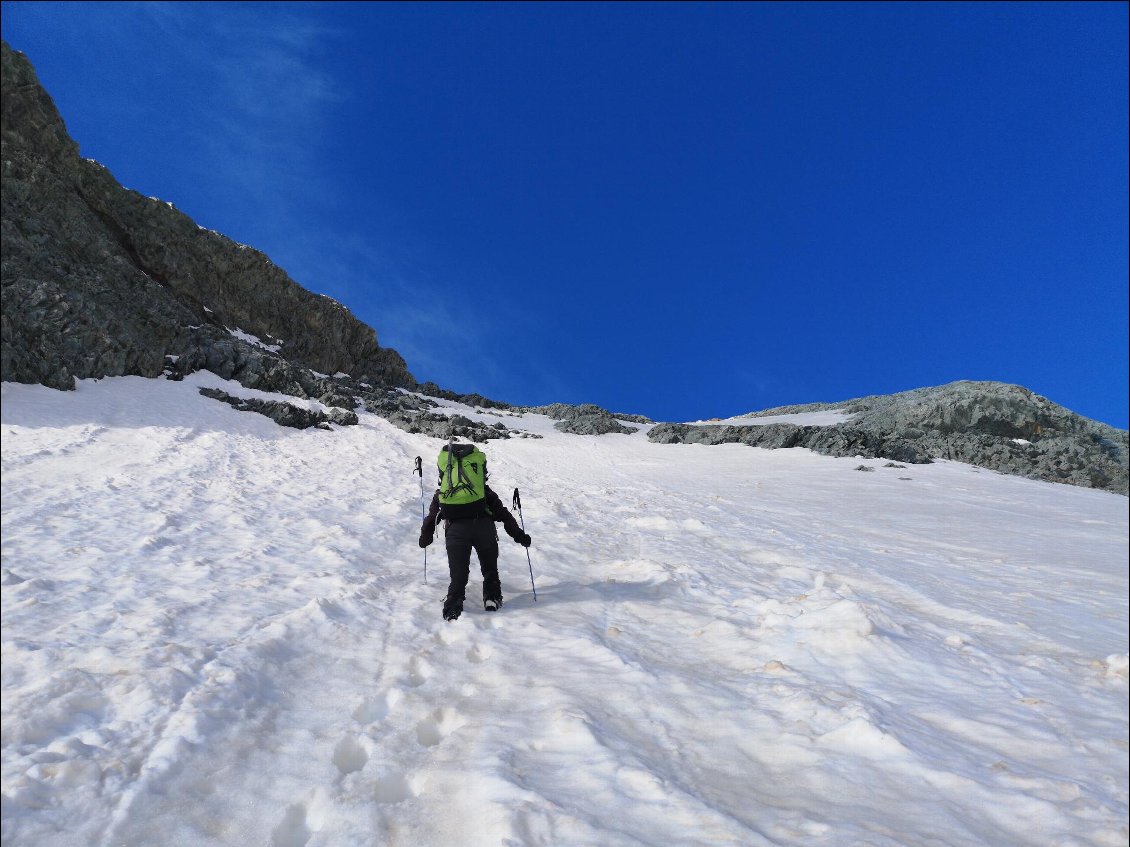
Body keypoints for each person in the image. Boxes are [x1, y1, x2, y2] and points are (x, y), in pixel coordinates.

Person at [419, 440, 531, 621]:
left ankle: (453, 608)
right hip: (483, 528)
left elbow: (431, 518)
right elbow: (503, 514)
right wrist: (520, 536)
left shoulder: (442, 494)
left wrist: (425, 538)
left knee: (458, 576)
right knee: (490, 569)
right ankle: (492, 598)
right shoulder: (483, 492)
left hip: (455, 532)